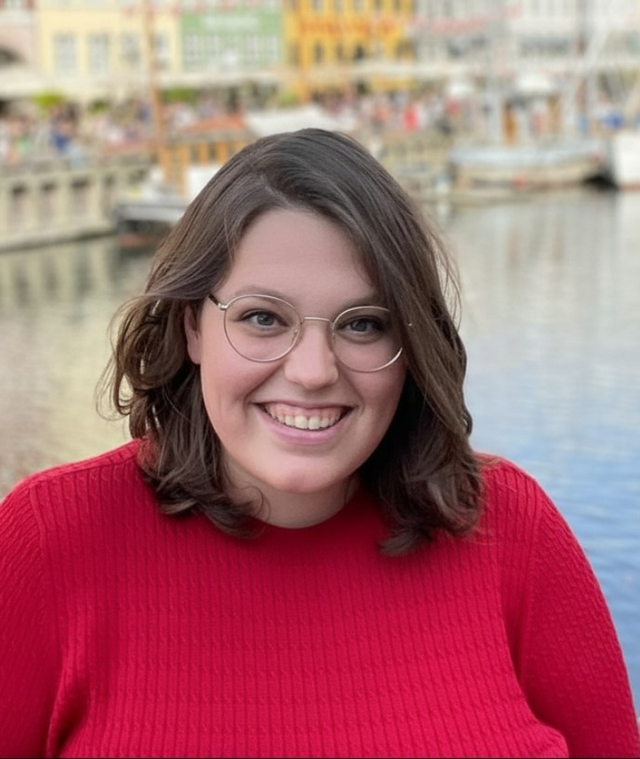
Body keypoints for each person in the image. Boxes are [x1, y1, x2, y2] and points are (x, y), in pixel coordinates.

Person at [0, 128, 638, 758]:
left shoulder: (512, 532)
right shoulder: (50, 542)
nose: (312, 372)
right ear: (192, 326)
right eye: (262, 318)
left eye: (363, 324)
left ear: (411, 345)